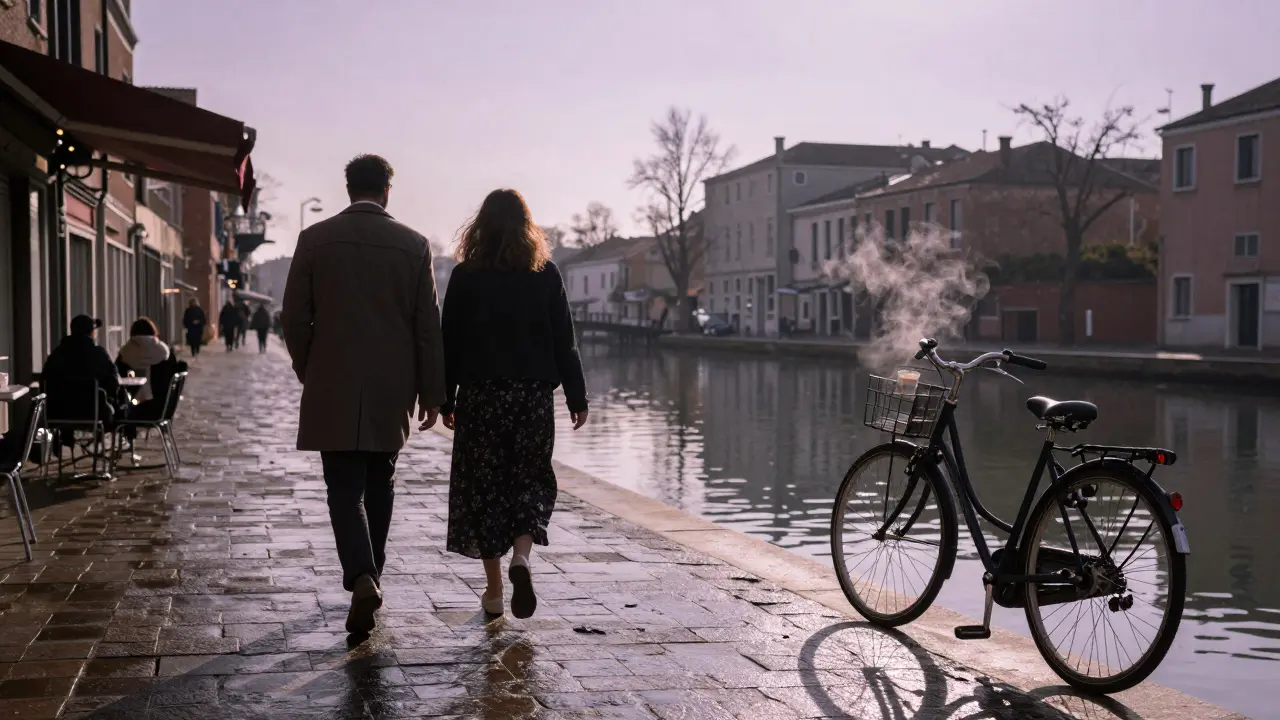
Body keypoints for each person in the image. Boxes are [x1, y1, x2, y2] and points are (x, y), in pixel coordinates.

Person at [282, 154, 445, 635]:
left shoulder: (314, 240)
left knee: (342, 487)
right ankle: (373, 574)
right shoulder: (414, 245)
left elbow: (294, 317)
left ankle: (361, 577)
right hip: (391, 386)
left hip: (333, 379)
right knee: (381, 483)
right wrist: (433, 393)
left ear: (348, 188)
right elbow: (426, 328)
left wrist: (309, 367)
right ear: (388, 190)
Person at [441, 189, 588, 620]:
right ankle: (521, 559)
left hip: (482, 397)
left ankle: (493, 590)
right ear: (528, 227)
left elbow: (449, 341)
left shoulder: (466, 276)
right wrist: (577, 396)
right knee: (530, 479)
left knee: (483, 488)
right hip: (532, 397)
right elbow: (566, 339)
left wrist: (443, 397)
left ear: (479, 227)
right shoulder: (545, 274)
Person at [41, 315, 126, 449]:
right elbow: (113, 383)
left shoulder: (56, 354)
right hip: (93, 413)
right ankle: (112, 450)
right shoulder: (98, 354)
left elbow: (45, 383)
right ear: (92, 332)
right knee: (118, 407)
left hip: (58, 414)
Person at [116, 317, 170, 404]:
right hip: (160, 400)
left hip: (131, 400)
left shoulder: (125, 351)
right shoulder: (162, 350)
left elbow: (117, 374)